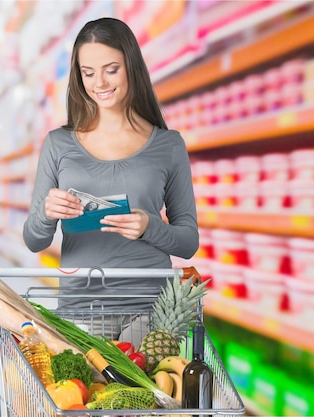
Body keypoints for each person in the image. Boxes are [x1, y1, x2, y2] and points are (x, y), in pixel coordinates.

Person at [22, 17, 198, 342]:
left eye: (110, 69)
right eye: (88, 73)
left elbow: (189, 243)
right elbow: (34, 241)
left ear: (131, 66)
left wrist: (149, 226)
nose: (99, 82)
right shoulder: (58, 144)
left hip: (150, 310)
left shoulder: (167, 145)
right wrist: (47, 214)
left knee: (141, 392)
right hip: (81, 310)